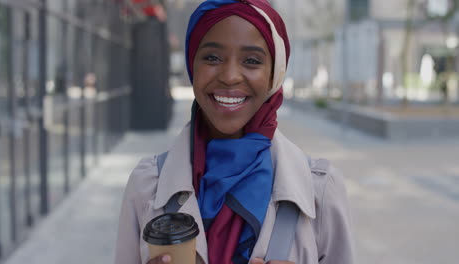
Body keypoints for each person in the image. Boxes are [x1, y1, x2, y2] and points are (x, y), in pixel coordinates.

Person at [115, 0, 354, 263]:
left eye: (251, 61)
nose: (229, 76)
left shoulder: (320, 191)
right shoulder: (147, 185)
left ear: (275, 74)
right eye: (212, 57)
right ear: (192, 65)